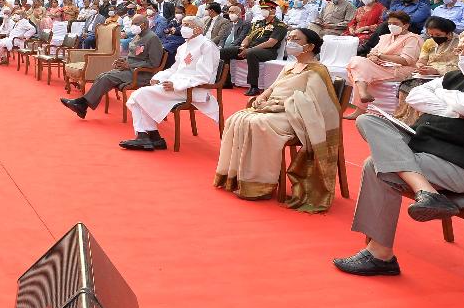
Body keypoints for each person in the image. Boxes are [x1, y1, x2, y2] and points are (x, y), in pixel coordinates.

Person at [333, 28, 464, 278]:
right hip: (426, 147)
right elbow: (416, 95)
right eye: (461, 49)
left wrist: (446, 99)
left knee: (376, 166)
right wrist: (460, 109)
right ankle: (426, 191)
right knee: (369, 120)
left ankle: (380, 254)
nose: (463, 55)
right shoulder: (456, 77)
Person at [214, 28, 343, 210]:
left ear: (310, 46)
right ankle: (235, 178)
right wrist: (263, 97)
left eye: (296, 39)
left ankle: (259, 185)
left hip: (293, 115)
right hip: (274, 109)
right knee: (236, 119)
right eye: (289, 38)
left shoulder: (318, 70)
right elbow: (273, 88)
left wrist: (283, 104)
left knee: (258, 124)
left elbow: (316, 103)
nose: (290, 42)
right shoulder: (289, 66)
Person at [115, 17, 221, 151]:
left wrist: (176, 85)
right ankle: (150, 136)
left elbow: (204, 76)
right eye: (183, 24)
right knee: (139, 96)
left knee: (139, 95)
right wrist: (158, 77)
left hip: (192, 89)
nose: (183, 28)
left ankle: (147, 136)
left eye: (188, 25)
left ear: (198, 29)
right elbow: (174, 69)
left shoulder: (207, 46)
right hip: (176, 87)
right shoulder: (183, 46)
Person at [60, 14, 164, 119]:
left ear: (144, 25)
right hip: (130, 70)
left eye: (135, 24)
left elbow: (154, 63)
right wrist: (122, 60)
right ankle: (82, 105)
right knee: (102, 75)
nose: (133, 26)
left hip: (141, 74)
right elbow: (133, 56)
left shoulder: (152, 38)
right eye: (132, 23)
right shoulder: (138, 36)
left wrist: (129, 65)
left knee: (107, 77)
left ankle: (82, 104)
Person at [345, 11, 422, 113]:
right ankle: (363, 95)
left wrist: (381, 56)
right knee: (356, 61)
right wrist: (373, 57)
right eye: (390, 23)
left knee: (359, 70)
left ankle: (360, 106)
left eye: (395, 24)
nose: (391, 26)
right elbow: (372, 52)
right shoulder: (386, 37)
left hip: (400, 69)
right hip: (381, 66)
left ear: (406, 25)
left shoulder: (413, 38)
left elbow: (406, 60)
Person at [395, 16, 459, 122]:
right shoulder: (429, 42)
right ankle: (404, 118)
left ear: (448, 33)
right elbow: (422, 60)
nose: (434, 37)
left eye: (438, 35)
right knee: (407, 84)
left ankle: (418, 121)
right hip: (427, 73)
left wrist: (436, 71)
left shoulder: (460, 43)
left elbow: (459, 66)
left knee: (421, 89)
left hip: (449, 76)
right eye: (431, 35)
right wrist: (420, 65)